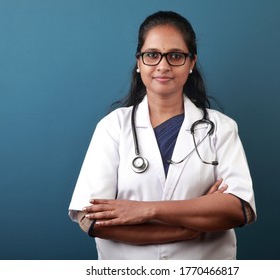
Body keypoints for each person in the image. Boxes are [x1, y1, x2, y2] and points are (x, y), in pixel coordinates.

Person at [69, 11, 256, 260]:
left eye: (176, 56)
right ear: (139, 62)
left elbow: (237, 208)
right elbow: (91, 220)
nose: (163, 65)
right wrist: (184, 229)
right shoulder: (113, 127)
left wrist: (145, 210)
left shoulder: (221, 128)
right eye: (152, 55)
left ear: (191, 63)